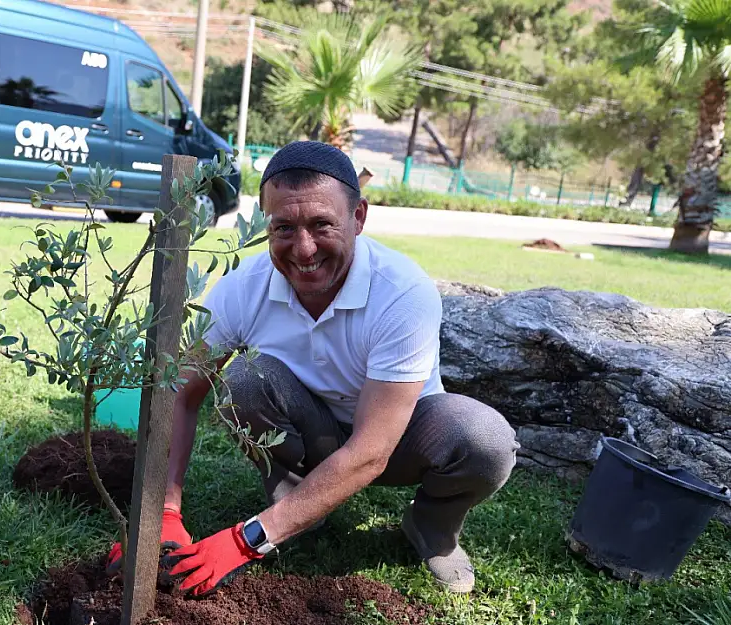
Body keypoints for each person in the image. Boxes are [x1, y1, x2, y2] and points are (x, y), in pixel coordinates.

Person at [109, 141, 519, 595]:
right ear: (266, 222)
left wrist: (247, 541)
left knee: (486, 440)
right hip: (309, 429)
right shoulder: (245, 286)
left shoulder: (403, 293)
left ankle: (431, 526)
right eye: (284, 227)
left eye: (322, 224)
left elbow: (371, 451)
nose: (303, 250)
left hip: (400, 440)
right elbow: (180, 392)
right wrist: (163, 511)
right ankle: (296, 504)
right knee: (245, 378)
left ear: (359, 217)